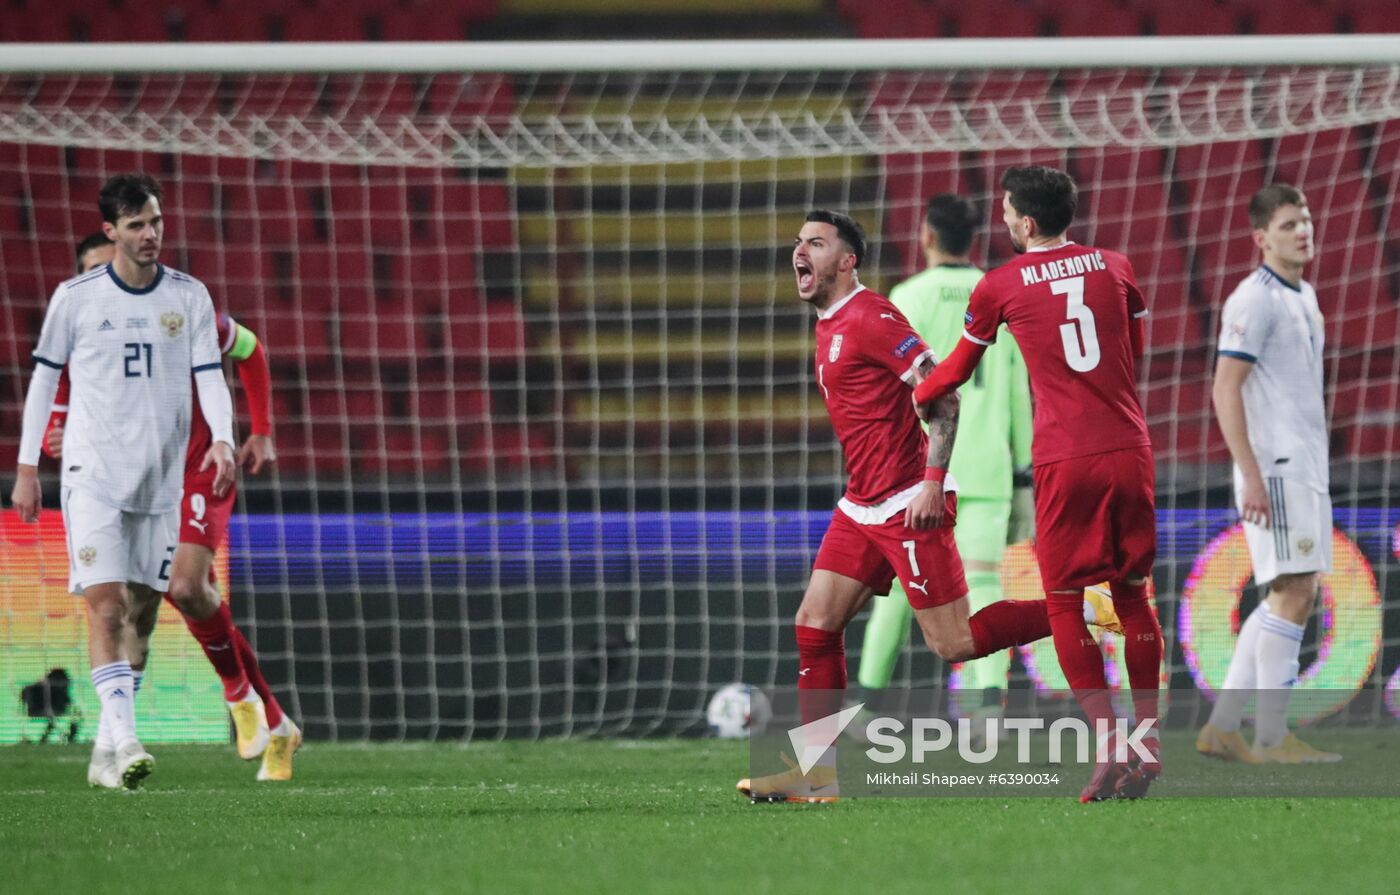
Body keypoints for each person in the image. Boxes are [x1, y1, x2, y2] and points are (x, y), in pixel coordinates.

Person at [737, 210, 1119, 804]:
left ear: (847, 260)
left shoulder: (874, 315)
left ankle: (1088, 604)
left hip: (908, 501)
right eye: (797, 243)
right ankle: (816, 775)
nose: (799, 252)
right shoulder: (830, 322)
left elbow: (944, 396)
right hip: (864, 503)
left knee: (955, 644)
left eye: (815, 242)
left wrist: (932, 483)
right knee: (815, 625)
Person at [911, 167, 1164, 802]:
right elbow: (1133, 355)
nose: (1001, 222)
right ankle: (1149, 741)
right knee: (1132, 598)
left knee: (1063, 600)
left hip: (1065, 458)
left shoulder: (1001, 284)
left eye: (1006, 214)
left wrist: (919, 393)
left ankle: (1108, 742)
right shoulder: (1116, 266)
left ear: (1025, 223)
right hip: (1129, 448)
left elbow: (957, 372)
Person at [44, 233, 300, 781]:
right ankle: (121, 748)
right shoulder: (86, 329)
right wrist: (54, 434)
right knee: (132, 616)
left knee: (184, 588)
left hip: (197, 469)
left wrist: (262, 431)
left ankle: (240, 698)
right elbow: (61, 400)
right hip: (127, 483)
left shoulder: (179, 313)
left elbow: (251, 350)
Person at [10, 173, 236, 790]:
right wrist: (28, 467)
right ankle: (129, 740)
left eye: (155, 221)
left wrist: (222, 434)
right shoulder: (76, 298)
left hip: (159, 482)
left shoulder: (188, 297)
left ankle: (104, 754)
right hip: (92, 477)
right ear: (110, 233)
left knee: (138, 614)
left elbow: (211, 375)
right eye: (136, 225)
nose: (150, 234)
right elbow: (43, 383)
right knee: (105, 607)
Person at [855, 194, 1034, 736]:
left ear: (926, 237)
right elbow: (1021, 394)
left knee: (900, 589)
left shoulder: (907, 296)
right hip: (988, 468)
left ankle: (865, 708)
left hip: (921, 471)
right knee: (982, 588)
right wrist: (1024, 475)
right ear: (974, 240)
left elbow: (893, 388)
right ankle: (986, 712)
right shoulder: (999, 292)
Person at [1196, 185, 1340, 765]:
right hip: (1276, 468)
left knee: (1288, 590)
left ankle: (1224, 727)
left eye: (1304, 220)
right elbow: (1224, 387)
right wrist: (1250, 474)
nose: (1302, 231)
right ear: (1261, 238)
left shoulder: (1303, 294)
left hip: (1303, 464)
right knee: (1295, 590)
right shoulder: (1252, 300)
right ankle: (1272, 738)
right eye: (1287, 224)